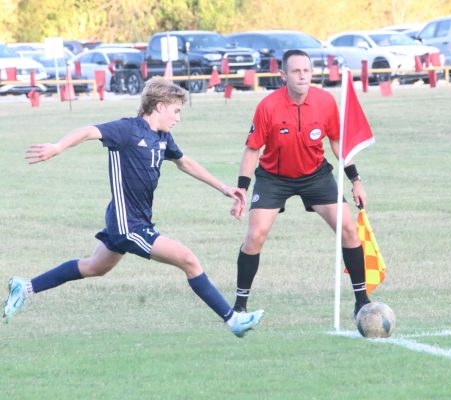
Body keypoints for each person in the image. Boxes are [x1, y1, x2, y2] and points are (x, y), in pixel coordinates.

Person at [3, 77, 263, 338]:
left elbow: (185, 163)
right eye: (176, 110)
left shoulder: (162, 137)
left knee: (95, 267)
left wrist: (223, 188)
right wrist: (58, 146)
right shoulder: (127, 130)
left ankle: (24, 288)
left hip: (133, 219)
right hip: (128, 224)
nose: (178, 118)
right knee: (189, 260)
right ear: (160, 106)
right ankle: (233, 320)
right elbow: (88, 131)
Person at [231, 49, 370, 317]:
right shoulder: (267, 106)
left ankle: (362, 302)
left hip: (316, 176)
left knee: (348, 229)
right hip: (273, 178)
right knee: (255, 235)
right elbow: (252, 149)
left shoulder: (326, 101)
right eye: (296, 71)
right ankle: (239, 305)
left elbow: (337, 143)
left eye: (306, 70)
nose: (302, 76)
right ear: (283, 75)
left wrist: (356, 180)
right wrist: (242, 189)